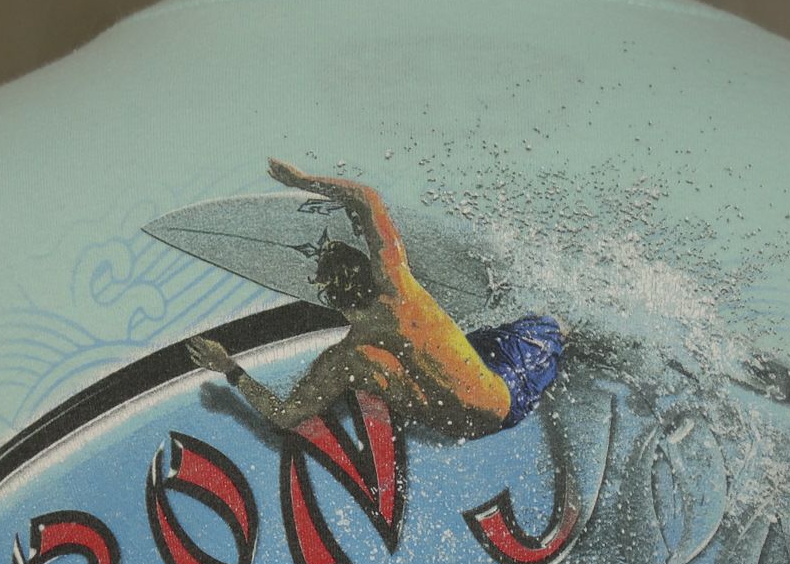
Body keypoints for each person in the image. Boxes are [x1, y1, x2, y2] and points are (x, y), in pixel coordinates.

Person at [186, 158, 565, 436]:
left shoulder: (344, 359)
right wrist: (302, 180)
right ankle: (573, 330)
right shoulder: (398, 287)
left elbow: (284, 415)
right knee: (555, 323)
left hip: (467, 428)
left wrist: (229, 367)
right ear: (370, 271)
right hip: (503, 398)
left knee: (425, 355)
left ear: (331, 300)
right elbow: (366, 198)